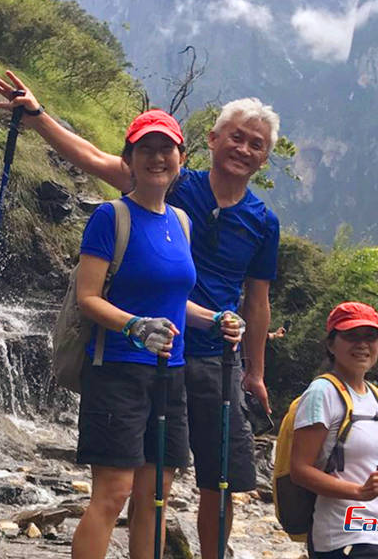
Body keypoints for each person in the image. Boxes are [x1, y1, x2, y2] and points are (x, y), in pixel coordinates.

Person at [0, 71, 280, 558]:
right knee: (127, 488)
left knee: (213, 479)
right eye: (236, 137)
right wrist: (37, 119)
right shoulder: (168, 184)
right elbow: (92, 157)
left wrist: (255, 370)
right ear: (210, 141)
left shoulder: (253, 221)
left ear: (265, 156)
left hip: (206, 357)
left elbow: (258, 300)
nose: (244, 149)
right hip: (134, 357)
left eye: (256, 143)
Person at [67, 109, 242, 559]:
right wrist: (133, 326)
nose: (157, 157)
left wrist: (214, 318)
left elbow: (170, 301)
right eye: (145, 148)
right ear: (129, 158)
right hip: (117, 371)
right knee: (113, 493)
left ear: (181, 159)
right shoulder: (112, 217)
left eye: (166, 148)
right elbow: (89, 297)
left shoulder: (180, 222)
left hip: (171, 375)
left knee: (155, 498)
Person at [290, 302, 378, 558]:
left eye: (370, 336)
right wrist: (359, 492)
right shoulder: (322, 393)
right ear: (331, 344)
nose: (362, 344)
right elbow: (300, 470)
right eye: (351, 335)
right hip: (341, 536)